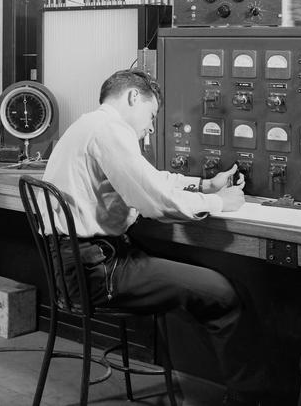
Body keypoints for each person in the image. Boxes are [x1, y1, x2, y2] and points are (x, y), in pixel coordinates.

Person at [41, 68, 275, 406]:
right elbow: (152, 200)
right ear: (133, 97)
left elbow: (148, 179)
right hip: (97, 272)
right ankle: (249, 401)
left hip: (77, 264)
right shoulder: (109, 130)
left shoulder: (89, 126)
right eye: (152, 115)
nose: (152, 126)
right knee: (223, 294)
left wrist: (202, 185)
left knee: (206, 284)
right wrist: (218, 201)